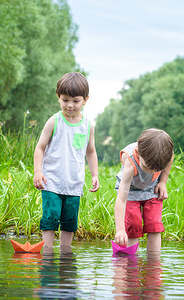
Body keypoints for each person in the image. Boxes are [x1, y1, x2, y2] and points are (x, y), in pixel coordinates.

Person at [33, 72, 99, 248]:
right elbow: (40, 147)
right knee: (50, 216)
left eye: (75, 101)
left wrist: (95, 175)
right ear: (58, 98)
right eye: (65, 100)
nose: (70, 105)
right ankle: (47, 251)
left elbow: (90, 151)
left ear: (85, 99)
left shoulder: (87, 125)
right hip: (51, 180)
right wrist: (38, 172)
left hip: (74, 183)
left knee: (69, 221)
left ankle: (65, 254)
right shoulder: (54, 121)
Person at [114, 128, 174, 252]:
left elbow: (170, 159)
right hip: (131, 191)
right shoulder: (130, 162)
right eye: (148, 167)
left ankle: (153, 264)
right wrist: (120, 230)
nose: (152, 172)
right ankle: (131, 262)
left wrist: (162, 182)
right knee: (133, 226)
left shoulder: (166, 154)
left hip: (152, 190)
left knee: (154, 225)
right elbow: (121, 199)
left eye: (157, 169)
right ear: (138, 153)